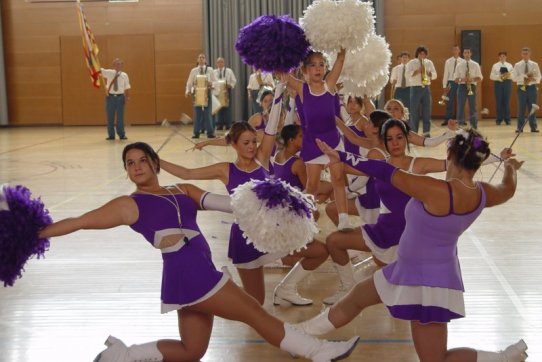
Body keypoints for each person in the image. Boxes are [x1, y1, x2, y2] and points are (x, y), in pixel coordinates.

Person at [38, 142, 359, 362]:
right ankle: (318, 351)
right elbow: (80, 221)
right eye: (129, 163)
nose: (136, 167)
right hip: (193, 275)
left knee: (192, 351)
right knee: (255, 314)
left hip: (190, 276)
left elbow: (233, 204)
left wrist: (276, 200)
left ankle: (123, 355)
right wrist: (34, 235)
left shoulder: (184, 191)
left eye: (141, 160)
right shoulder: (129, 205)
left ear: (154, 163)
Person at [294, 129, 527, 362]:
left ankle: (505, 358)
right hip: (419, 272)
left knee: (434, 359)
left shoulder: (435, 190)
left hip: (424, 282)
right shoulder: (482, 193)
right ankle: (300, 334)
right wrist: (510, 167)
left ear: (450, 155)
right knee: (357, 297)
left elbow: (386, 171)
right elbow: (508, 189)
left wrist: (341, 157)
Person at [160, 82, 329, 307]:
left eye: (253, 142)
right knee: (255, 302)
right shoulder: (225, 170)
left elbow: (270, 130)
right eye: (246, 143)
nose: (251, 146)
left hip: (275, 229)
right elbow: (187, 172)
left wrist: (279, 91)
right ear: (234, 145)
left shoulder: (262, 157)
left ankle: (286, 288)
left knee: (319, 251)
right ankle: (224, 283)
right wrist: (157, 161)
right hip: (245, 237)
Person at [323, 118, 456, 305]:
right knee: (334, 241)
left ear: (406, 140)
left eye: (399, 138)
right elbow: (344, 167)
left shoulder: (418, 164)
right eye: (390, 139)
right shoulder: (380, 166)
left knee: (405, 293)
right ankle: (347, 288)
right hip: (384, 232)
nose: (395, 143)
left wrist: (498, 157)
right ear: (384, 142)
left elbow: (455, 165)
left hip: (410, 237)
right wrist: (334, 163)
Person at [284, 49, 353, 231]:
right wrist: (278, 57)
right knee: (312, 184)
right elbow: (282, 73)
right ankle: (307, 220)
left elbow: (340, 59)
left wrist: (341, 52)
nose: (318, 68)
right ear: (305, 70)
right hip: (312, 142)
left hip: (332, 139)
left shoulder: (330, 84)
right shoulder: (301, 88)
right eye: (313, 65)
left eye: (321, 64)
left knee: (338, 178)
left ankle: (344, 219)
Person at [406, 46, 437, 137]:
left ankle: (426, 133)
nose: (422, 55)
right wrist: (417, 71)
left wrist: (428, 73)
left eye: (424, 54)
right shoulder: (412, 62)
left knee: (427, 111)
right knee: (414, 111)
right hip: (415, 88)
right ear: (417, 54)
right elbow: (407, 75)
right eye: (420, 54)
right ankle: (414, 132)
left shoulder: (429, 63)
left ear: (426, 55)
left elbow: (435, 75)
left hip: (426, 88)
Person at [185, 53, 216, 139]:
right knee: (197, 114)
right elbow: (189, 82)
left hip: (207, 93)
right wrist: (187, 91)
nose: (201, 59)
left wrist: (211, 84)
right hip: (197, 93)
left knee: (208, 113)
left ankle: (210, 132)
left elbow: (215, 81)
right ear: (197, 60)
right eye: (200, 57)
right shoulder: (193, 70)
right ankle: (196, 133)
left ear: (205, 60)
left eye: (203, 57)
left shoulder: (210, 70)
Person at [512, 47, 541, 133]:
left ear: (530, 54)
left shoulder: (535, 64)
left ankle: (533, 127)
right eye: (524, 53)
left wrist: (533, 79)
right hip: (521, 88)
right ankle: (520, 128)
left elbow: (539, 76)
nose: (525, 55)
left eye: (527, 53)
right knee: (521, 108)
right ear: (521, 54)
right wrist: (524, 76)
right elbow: (513, 78)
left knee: (532, 108)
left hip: (532, 87)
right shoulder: (517, 65)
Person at [101, 58, 131, 141]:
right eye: (117, 64)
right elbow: (99, 70)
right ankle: (111, 135)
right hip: (110, 97)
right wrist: (93, 61)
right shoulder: (109, 73)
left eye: (120, 64)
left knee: (120, 117)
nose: (118, 65)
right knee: (110, 117)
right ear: (113, 65)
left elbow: (127, 87)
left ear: (122, 66)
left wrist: (127, 96)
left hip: (121, 97)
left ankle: (122, 134)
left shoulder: (125, 75)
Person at [454, 47, 483, 129]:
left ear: (471, 54)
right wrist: (463, 79)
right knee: (460, 107)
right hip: (462, 86)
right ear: (463, 54)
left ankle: (474, 127)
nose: (466, 54)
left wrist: (472, 79)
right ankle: (459, 126)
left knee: (473, 107)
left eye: (468, 52)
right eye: (465, 53)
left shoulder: (475, 64)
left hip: (472, 86)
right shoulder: (459, 65)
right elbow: (455, 79)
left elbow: (480, 77)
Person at [441, 45, 464, 126]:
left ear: (459, 51)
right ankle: (447, 119)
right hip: (450, 82)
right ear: (452, 51)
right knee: (449, 101)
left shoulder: (463, 61)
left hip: (460, 82)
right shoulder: (448, 61)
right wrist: (444, 85)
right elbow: (446, 74)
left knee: (461, 101)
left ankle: (461, 120)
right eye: (454, 49)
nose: (455, 51)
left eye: (457, 49)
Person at [490, 51, 514, 126]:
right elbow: (491, 76)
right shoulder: (495, 65)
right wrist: (499, 76)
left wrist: (507, 75)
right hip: (498, 83)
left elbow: (513, 76)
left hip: (507, 83)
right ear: (499, 57)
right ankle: (498, 119)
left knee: (507, 101)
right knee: (499, 101)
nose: (502, 57)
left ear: (506, 57)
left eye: (504, 56)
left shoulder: (509, 65)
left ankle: (508, 119)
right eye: (501, 56)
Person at [213, 57, 237, 130]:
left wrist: (230, 85)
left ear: (224, 63)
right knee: (219, 107)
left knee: (227, 108)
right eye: (218, 62)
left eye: (221, 62)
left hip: (226, 90)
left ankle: (228, 124)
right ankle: (219, 124)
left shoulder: (229, 71)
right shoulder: (214, 72)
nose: (220, 63)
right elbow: (212, 81)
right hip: (217, 91)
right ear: (216, 64)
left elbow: (234, 80)